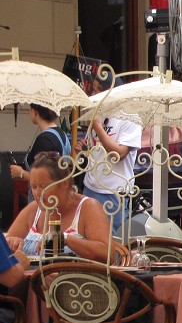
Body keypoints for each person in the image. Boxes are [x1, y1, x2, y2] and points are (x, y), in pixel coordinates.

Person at [6, 153, 111, 262]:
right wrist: (12, 242)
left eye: (44, 186)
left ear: (64, 183)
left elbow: (107, 254)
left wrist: (65, 238)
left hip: (72, 278)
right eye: (34, 187)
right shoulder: (33, 210)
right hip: (31, 277)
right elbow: (5, 245)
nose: (37, 193)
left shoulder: (87, 207)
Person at [80, 74, 142, 235]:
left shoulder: (130, 116)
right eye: (92, 90)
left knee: (112, 243)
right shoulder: (98, 116)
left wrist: (98, 127)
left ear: (110, 93)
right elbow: (97, 149)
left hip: (113, 192)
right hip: (91, 187)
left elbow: (119, 153)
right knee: (88, 238)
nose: (93, 95)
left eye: (97, 90)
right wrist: (84, 149)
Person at [9, 104, 71, 202]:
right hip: (58, 195)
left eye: (30, 110)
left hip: (45, 199)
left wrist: (20, 173)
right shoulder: (61, 133)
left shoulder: (44, 140)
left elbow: (44, 179)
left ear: (35, 112)